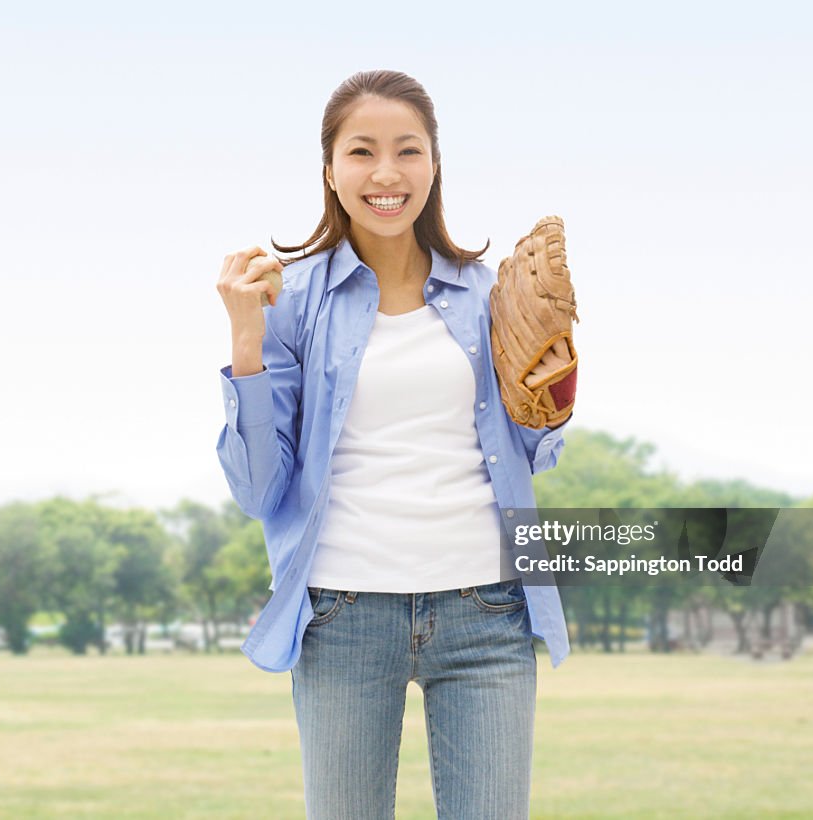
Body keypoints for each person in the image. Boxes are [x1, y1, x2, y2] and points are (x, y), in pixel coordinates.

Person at [215, 69, 571, 820]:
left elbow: (539, 452)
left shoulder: (489, 295)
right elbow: (257, 490)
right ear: (330, 172)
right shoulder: (291, 303)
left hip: (488, 610)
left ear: (434, 165)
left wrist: (556, 389)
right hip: (344, 615)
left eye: (408, 151)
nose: (386, 173)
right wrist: (247, 341)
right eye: (362, 152)